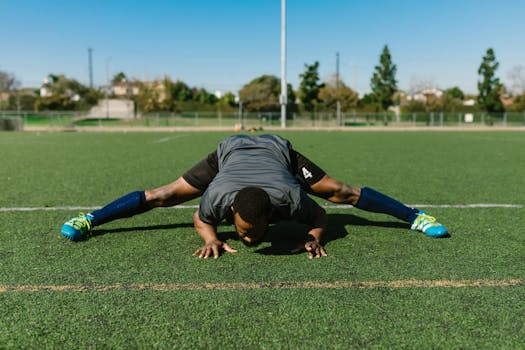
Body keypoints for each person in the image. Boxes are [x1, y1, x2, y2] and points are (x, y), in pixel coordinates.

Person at [61, 134, 448, 259]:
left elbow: (320, 217)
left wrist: (315, 236)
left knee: (341, 193)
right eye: (244, 233)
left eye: (253, 233)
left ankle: (415, 216)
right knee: (164, 195)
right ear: (231, 211)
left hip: (279, 154)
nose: (247, 240)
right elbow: (201, 218)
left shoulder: (292, 200)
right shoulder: (215, 199)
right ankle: (90, 219)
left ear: (273, 218)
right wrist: (211, 238)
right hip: (229, 154)